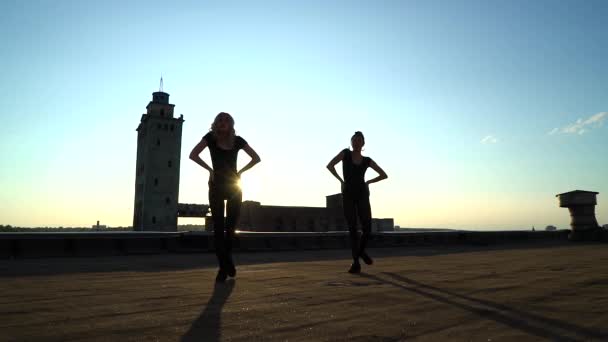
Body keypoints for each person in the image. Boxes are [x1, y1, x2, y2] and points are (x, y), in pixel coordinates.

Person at [190, 112, 261, 282]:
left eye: (226, 120)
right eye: (220, 120)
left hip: (234, 186)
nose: (223, 122)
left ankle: (226, 262)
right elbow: (193, 155)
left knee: (230, 228)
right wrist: (209, 170)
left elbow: (256, 158)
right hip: (215, 186)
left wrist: (241, 172)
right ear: (215, 123)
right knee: (218, 228)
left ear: (231, 124)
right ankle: (223, 266)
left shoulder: (238, 141)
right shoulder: (210, 138)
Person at [327, 131, 388, 274]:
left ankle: (360, 253)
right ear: (351, 142)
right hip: (348, 193)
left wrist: (369, 182)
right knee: (352, 229)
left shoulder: (367, 160)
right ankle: (356, 263)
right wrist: (341, 181)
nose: (356, 142)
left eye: (359, 140)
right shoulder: (345, 153)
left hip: (362, 194)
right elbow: (330, 165)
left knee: (367, 228)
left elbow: (384, 175)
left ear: (363, 143)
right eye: (354, 140)